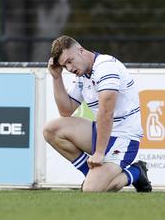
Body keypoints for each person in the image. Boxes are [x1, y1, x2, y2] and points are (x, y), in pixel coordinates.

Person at [44, 35, 151, 192]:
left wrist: (99, 153)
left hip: (123, 137)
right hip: (103, 132)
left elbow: (106, 112)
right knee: (51, 130)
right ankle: (93, 177)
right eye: (64, 66)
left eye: (69, 61)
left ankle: (135, 173)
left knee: (91, 190)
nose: (69, 68)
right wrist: (56, 77)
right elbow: (65, 111)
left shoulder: (105, 67)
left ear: (80, 50)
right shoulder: (82, 75)